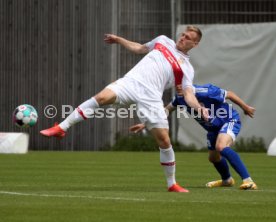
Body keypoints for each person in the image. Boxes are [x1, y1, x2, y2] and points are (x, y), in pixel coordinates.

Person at [40, 25, 209, 193]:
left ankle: (172, 184)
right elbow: (140, 48)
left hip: (151, 98)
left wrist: (200, 108)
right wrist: (119, 40)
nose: (183, 38)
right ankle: (62, 127)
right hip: (130, 83)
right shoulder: (163, 40)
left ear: (195, 44)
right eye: (183, 34)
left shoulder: (187, 68)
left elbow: (188, 95)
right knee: (101, 98)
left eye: (188, 38)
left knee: (164, 141)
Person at [130, 83, 258, 190]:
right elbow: (166, 111)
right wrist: (145, 124)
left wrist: (245, 107)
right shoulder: (179, 98)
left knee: (221, 146)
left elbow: (229, 94)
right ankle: (227, 180)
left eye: (180, 84)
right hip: (213, 128)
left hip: (229, 120)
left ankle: (248, 180)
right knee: (213, 158)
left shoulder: (205, 91)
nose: (178, 87)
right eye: (176, 84)